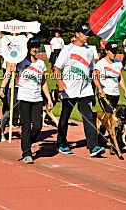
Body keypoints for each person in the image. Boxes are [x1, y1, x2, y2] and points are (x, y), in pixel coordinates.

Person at [53, 25, 106, 157]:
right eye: (84, 33)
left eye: (88, 34)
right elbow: (56, 68)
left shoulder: (89, 51)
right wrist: (60, 82)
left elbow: (92, 71)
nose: (87, 36)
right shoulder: (67, 50)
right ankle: (62, 144)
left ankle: (93, 147)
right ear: (77, 34)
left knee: (88, 118)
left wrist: (97, 89)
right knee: (64, 118)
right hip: (69, 90)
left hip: (85, 90)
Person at [5, 38, 53, 163]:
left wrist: (48, 98)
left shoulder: (41, 64)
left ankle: (28, 141)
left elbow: (43, 82)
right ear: (28, 47)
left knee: (37, 126)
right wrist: (13, 72)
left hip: (37, 98)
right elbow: (16, 81)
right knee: (26, 126)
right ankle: (27, 153)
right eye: (33, 46)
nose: (35, 49)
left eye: (37, 47)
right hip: (24, 98)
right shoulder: (20, 62)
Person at [93, 42, 126, 114]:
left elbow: (120, 79)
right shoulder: (100, 63)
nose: (114, 54)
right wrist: (100, 89)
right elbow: (94, 77)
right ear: (106, 51)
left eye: (115, 52)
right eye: (112, 52)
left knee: (113, 116)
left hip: (115, 94)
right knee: (109, 114)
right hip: (105, 93)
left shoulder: (118, 63)